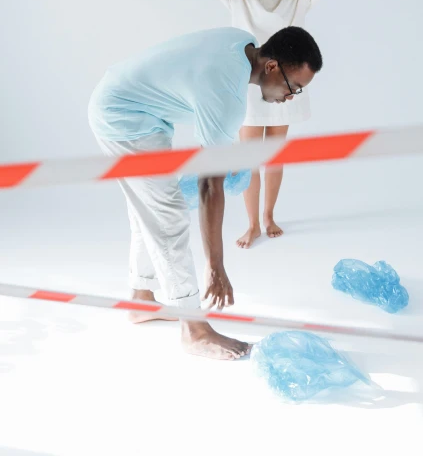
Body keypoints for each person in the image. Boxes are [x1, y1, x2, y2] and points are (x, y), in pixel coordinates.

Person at [88, 25, 323, 360]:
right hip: (121, 115)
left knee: (151, 206)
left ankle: (141, 299)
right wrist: (215, 265)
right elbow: (209, 184)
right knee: (165, 213)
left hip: (138, 109)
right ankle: (194, 329)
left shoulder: (242, 43)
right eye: (294, 87)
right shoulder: (226, 94)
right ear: (272, 66)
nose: (290, 97)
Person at [196, 0, 343, 248]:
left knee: (275, 155)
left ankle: (269, 216)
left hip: (283, 91)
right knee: (250, 158)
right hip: (249, 89)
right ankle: (252, 224)